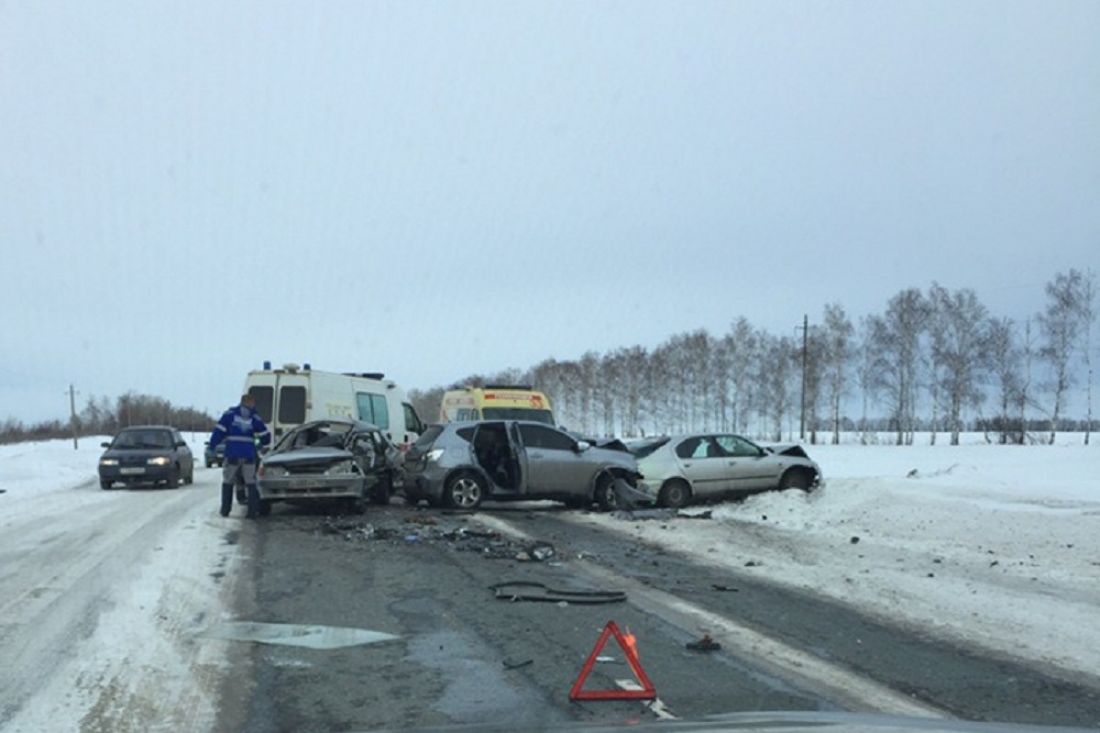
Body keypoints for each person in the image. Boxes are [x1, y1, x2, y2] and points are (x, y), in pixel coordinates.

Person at [209, 394, 271, 518]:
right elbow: (266, 437)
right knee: (251, 482)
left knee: (228, 481)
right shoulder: (254, 418)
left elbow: (218, 432)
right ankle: (252, 512)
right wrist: (259, 442)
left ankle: (225, 510)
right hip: (249, 456)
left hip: (232, 454)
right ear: (250, 403)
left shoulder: (229, 415)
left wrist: (212, 446)